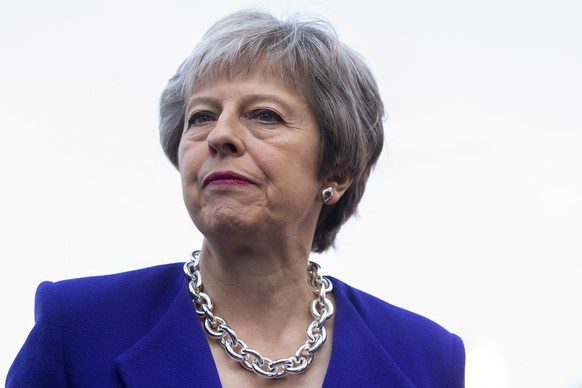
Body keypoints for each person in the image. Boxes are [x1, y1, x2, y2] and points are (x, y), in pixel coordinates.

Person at [7, 9, 465, 387]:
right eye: (201, 116)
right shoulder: (78, 329)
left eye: (264, 115)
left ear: (337, 170)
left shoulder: (427, 359)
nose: (220, 135)